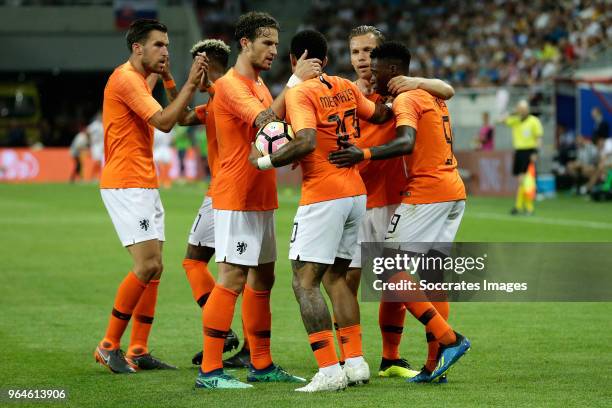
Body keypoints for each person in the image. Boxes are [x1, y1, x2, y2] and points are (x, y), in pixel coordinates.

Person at [250, 29, 393, 392]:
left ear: (294, 61)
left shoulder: (299, 92)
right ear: (326, 61)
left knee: (304, 281)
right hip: (355, 192)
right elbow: (378, 114)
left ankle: (329, 370)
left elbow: (306, 141)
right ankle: (356, 363)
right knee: (337, 279)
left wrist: (264, 161)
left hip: (324, 195)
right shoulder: (346, 85)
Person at [329, 41, 471, 384]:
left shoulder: (407, 98)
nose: (371, 73)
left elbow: (406, 141)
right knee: (431, 277)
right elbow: (447, 89)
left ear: (392, 72)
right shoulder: (430, 94)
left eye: (376, 68)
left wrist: (362, 154)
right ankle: (434, 367)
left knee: (389, 270)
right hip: (454, 192)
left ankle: (450, 339)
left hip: (427, 193)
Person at [196, 12, 321, 389]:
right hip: (235, 195)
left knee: (263, 277)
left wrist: (288, 147)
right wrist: (298, 83)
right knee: (231, 277)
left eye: (276, 44)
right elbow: (267, 120)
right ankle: (210, 372)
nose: (274, 51)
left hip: (260, 195)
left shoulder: (260, 83)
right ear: (245, 43)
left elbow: (273, 123)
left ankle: (261, 364)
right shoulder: (232, 86)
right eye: (266, 43)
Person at [95, 18, 207, 374]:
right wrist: (189, 83)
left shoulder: (138, 79)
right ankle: (108, 345)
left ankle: (139, 349)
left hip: (143, 181)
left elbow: (166, 102)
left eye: (168, 45)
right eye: (159, 45)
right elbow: (165, 121)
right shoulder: (126, 79)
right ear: (137, 48)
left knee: (155, 268)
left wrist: (169, 76)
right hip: (126, 183)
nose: (166, 51)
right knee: (146, 264)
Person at [163, 38, 245, 367]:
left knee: (205, 264)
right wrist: (171, 79)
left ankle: (223, 336)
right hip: (227, 189)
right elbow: (181, 117)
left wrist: (199, 83)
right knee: (242, 271)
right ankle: (247, 348)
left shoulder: (226, 90)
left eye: (198, 65)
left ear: (206, 65)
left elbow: (223, 97)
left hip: (226, 190)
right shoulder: (217, 98)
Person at [500, 100, 543, 215]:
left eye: (523, 109)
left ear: (528, 109)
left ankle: (526, 208)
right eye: (520, 109)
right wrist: (513, 112)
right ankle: (521, 207)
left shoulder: (534, 121)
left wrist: (535, 152)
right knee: (522, 181)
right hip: (519, 152)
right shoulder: (516, 120)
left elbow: (538, 138)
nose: (522, 111)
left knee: (525, 180)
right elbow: (501, 120)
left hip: (529, 152)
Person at [86, 111, 104, 181]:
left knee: (102, 162)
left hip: (102, 145)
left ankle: (99, 176)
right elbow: (87, 131)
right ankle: (93, 176)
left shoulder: (102, 124)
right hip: (96, 145)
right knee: (97, 161)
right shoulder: (95, 125)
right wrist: (89, 141)